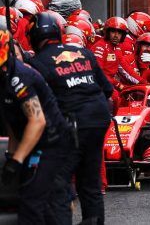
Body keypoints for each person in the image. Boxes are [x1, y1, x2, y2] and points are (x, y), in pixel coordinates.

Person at [28, 12, 113, 224]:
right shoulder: (84, 52)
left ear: (35, 37)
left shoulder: (38, 62)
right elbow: (108, 90)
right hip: (99, 119)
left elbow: (40, 102)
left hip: (73, 123)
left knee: (58, 183)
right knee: (90, 183)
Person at [0, 29, 70, 223]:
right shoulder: (2, 77)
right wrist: (12, 157)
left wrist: (17, 161)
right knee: (33, 197)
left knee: (33, 201)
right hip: (34, 140)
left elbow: (37, 121)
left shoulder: (19, 77)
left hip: (52, 140)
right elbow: (12, 119)